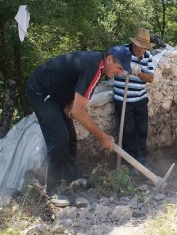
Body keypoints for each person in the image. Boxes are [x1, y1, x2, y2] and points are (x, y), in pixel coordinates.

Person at [26, 46, 132, 197]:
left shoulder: (99, 66)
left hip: (55, 93)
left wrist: (70, 102)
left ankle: (72, 179)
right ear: (109, 59)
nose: (119, 73)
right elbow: (78, 111)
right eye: (119, 68)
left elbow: (74, 85)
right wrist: (102, 137)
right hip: (40, 91)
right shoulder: (94, 67)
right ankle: (52, 191)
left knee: (70, 136)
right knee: (59, 138)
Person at [113, 28, 154, 174]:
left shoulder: (148, 56)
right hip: (122, 99)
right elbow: (110, 69)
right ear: (134, 43)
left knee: (142, 131)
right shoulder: (121, 51)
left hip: (140, 99)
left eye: (145, 48)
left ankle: (142, 162)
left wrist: (137, 71)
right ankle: (131, 164)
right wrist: (123, 69)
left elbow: (150, 78)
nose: (143, 51)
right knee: (127, 132)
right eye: (140, 48)